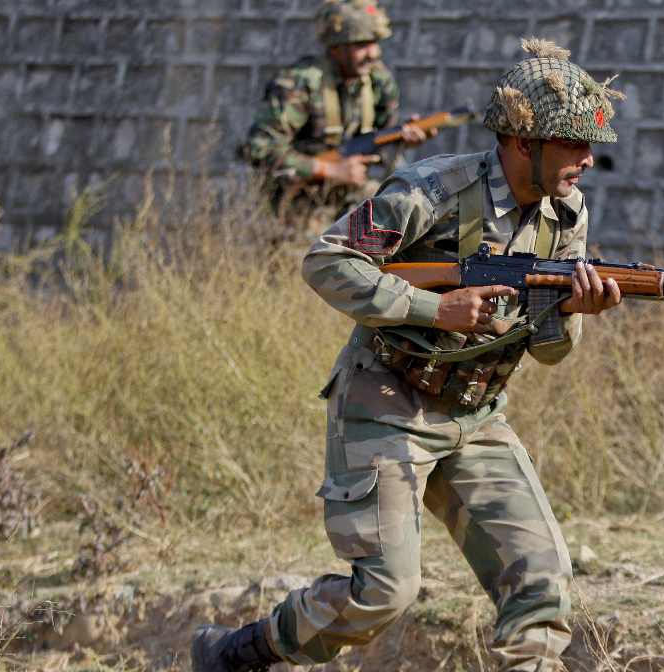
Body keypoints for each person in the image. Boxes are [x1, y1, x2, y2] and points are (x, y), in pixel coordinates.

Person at [193, 38, 625, 672]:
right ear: (520, 143)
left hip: (476, 416)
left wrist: (569, 314)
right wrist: (434, 309)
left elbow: (549, 349)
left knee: (541, 582)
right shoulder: (431, 190)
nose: (588, 160)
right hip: (386, 402)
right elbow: (327, 260)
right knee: (384, 593)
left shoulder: (566, 214)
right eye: (572, 144)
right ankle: (238, 652)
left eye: (591, 146)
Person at [243, 0, 435, 240]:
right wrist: (331, 170)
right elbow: (260, 149)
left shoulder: (377, 81)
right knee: (303, 267)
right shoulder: (300, 84)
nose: (373, 53)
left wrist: (403, 139)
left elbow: (382, 141)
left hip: (354, 197)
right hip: (300, 203)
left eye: (375, 43)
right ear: (336, 48)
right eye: (362, 45)